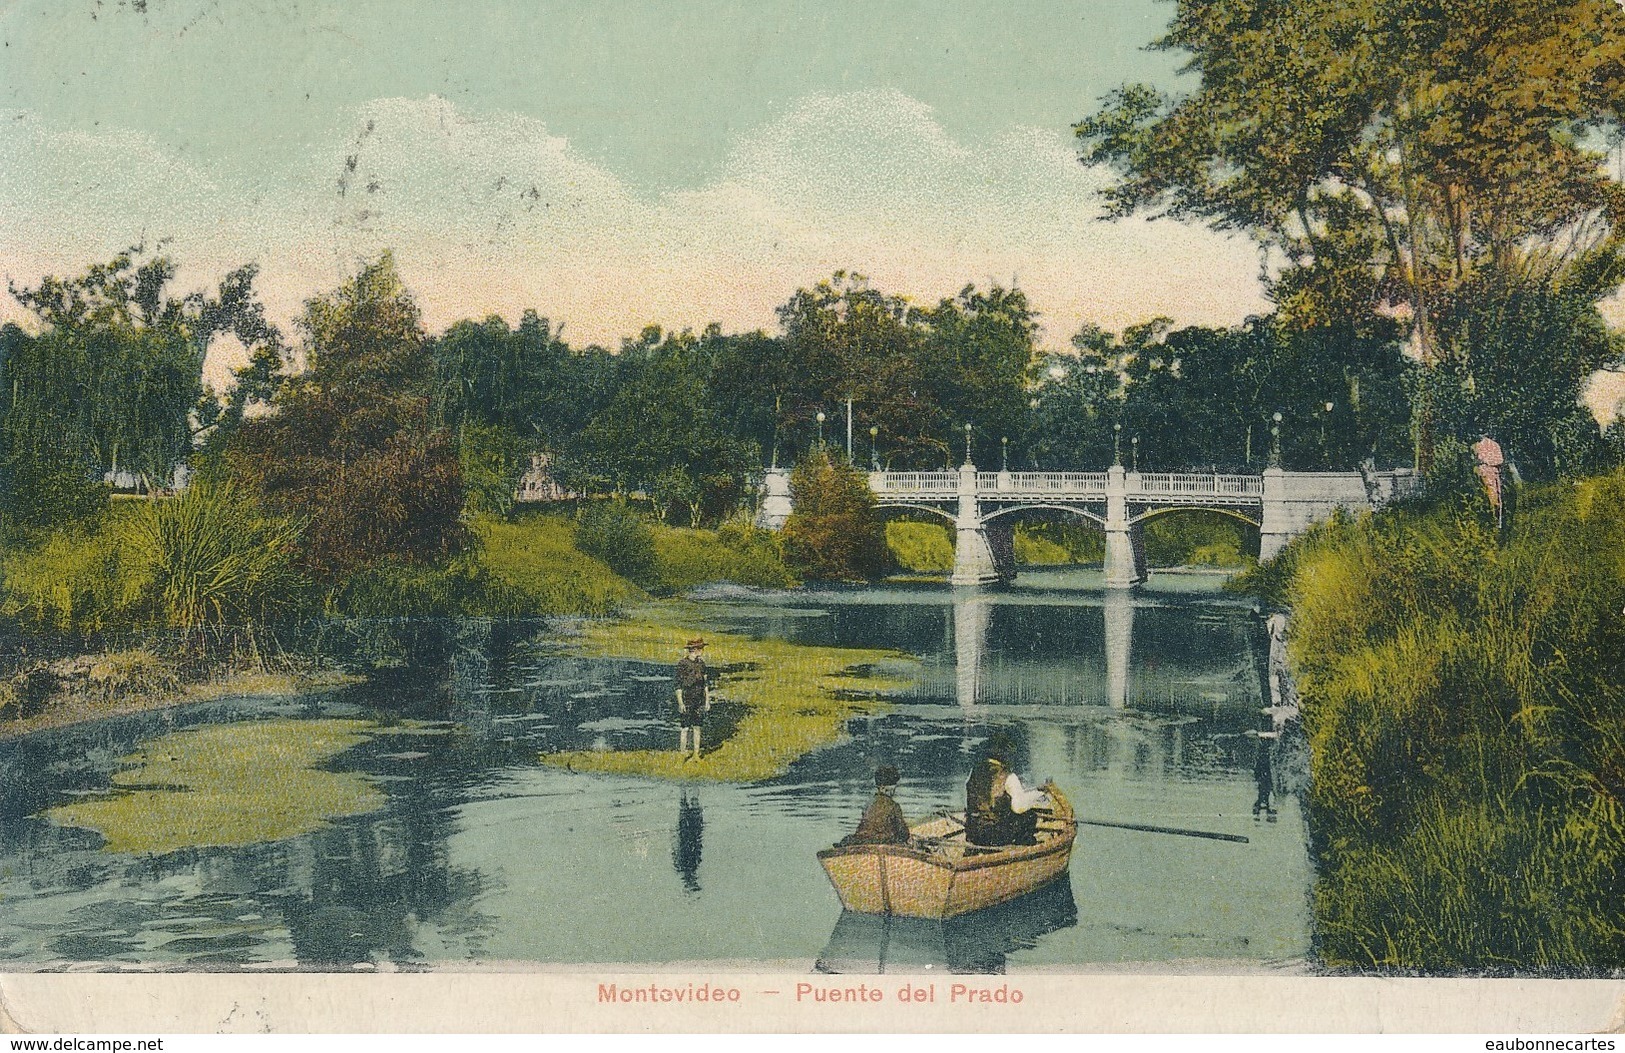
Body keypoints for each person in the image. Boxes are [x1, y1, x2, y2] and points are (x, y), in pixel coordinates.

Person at [964, 735, 1052, 846]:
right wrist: (1039, 793)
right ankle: (1022, 845)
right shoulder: (1008, 776)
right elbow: (1018, 807)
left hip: (973, 833)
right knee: (1030, 816)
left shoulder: (975, 772)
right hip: (995, 835)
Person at [845, 765, 910, 846]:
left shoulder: (869, 803)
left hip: (861, 840)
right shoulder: (894, 806)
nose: (894, 790)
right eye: (893, 786)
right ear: (884, 787)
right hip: (881, 842)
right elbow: (904, 834)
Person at [674, 638, 710, 760]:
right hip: (687, 699)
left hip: (699, 699)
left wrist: (707, 700)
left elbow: (705, 684)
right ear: (694, 650)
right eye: (701, 648)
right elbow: (678, 686)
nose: (702, 651)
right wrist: (680, 703)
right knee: (684, 728)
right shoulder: (682, 664)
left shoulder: (702, 664)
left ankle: (696, 754)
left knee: (697, 727)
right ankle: (682, 754)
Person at [1474, 432, 1505, 526]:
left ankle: (1496, 522)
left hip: (1491, 474)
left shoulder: (1493, 444)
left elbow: (1500, 460)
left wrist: (1486, 462)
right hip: (1479, 474)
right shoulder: (1474, 446)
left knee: (1494, 499)